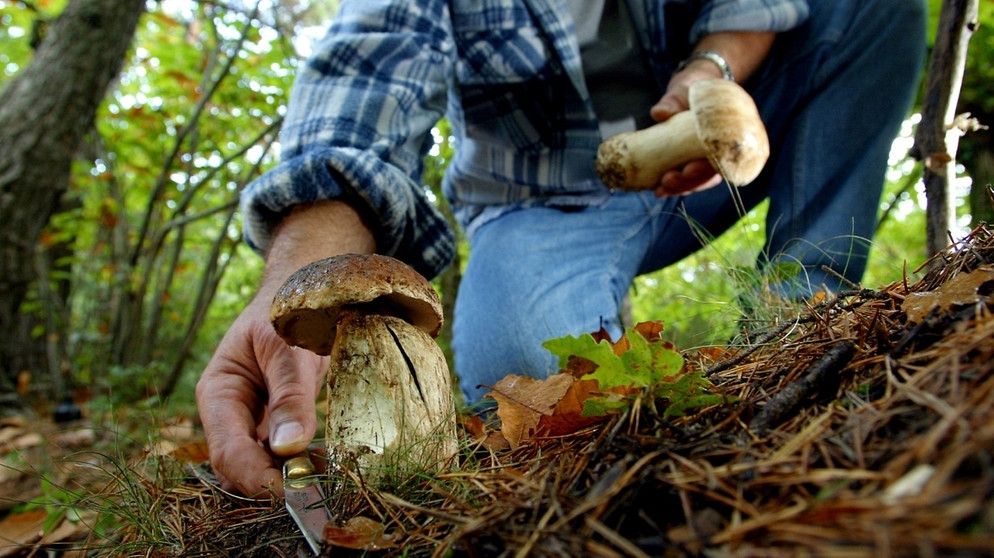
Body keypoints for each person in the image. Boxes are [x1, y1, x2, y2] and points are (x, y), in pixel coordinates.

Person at [196, 0, 927, 496]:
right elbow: (370, 69)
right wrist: (303, 264)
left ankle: (809, 316)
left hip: (701, 156)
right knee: (533, 390)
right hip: (539, 203)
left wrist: (711, 68)